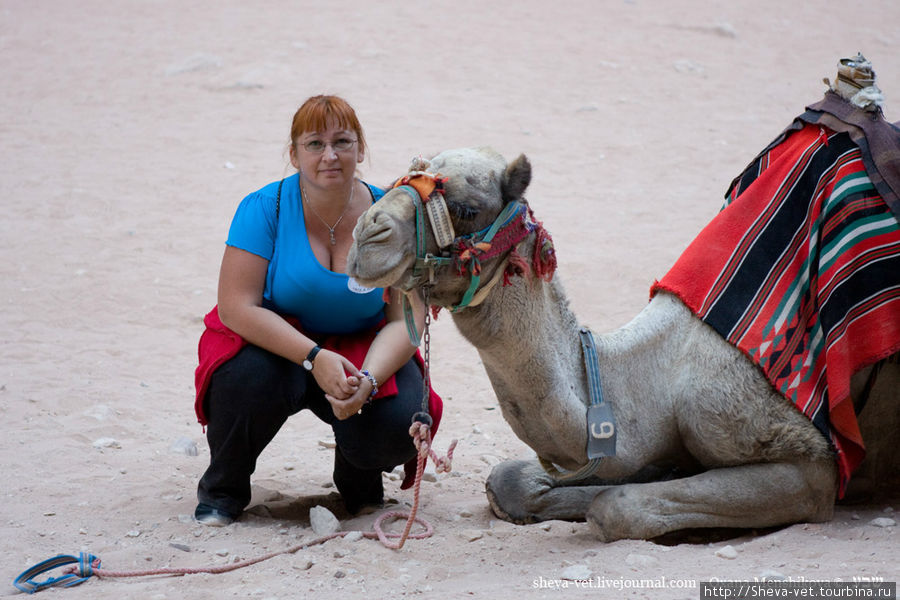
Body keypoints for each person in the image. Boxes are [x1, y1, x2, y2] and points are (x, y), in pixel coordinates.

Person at [192, 95, 441, 526]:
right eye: (314, 144)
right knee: (243, 379)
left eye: (342, 141)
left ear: (360, 150)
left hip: (362, 349)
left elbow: (408, 320)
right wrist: (314, 357)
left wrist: (369, 380)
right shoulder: (263, 208)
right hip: (276, 345)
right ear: (293, 154)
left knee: (399, 421)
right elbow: (236, 307)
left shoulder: (395, 215)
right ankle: (223, 489)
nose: (330, 155)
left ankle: (359, 480)